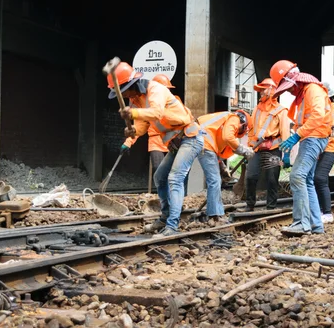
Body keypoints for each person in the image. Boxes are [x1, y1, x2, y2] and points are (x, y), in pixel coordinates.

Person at [108, 63, 201, 237]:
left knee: (174, 178)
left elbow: (156, 113)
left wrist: (133, 114)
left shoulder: (155, 89)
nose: (124, 96)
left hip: (190, 137)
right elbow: (143, 126)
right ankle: (165, 218)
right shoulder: (136, 100)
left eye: (123, 92)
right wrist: (133, 131)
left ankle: (172, 226)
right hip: (175, 143)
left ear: (130, 85)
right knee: (159, 177)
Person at [270, 60, 332, 236]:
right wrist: (291, 145)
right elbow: (303, 122)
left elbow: (318, 116)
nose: (289, 90)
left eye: (288, 87)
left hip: (315, 137)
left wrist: (297, 136)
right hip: (311, 138)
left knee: (297, 176)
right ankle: (315, 225)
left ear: (295, 80)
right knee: (307, 181)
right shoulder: (305, 94)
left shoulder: (313, 90)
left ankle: (301, 224)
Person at [195, 109, 254, 225]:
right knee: (214, 180)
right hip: (203, 143)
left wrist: (222, 167)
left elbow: (216, 149)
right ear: (244, 124)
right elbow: (228, 138)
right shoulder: (234, 118)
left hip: (203, 142)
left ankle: (214, 212)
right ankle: (214, 215)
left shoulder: (222, 123)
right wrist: (244, 151)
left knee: (215, 180)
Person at [244, 78, 290, 212]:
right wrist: (249, 147)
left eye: (263, 90)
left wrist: (286, 153)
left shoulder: (281, 111)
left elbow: (285, 133)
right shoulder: (257, 109)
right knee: (251, 176)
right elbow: (252, 129)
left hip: (273, 149)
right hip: (257, 148)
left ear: (271, 91)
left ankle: (270, 207)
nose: (260, 93)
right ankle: (249, 205)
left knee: (272, 178)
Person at [314, 83, 334, 223]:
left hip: (329, 149)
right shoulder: (324, 109)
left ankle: (327, 213)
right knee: (314, 179)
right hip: (320, 148)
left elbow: (332, 130)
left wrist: (319, 146)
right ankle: (318, 210)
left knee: (320, 178)